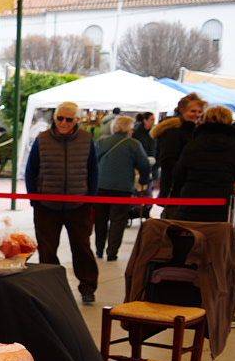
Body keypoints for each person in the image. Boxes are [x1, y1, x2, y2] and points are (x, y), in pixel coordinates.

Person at [24, 100, 100, 303]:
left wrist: (89, 199)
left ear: (76, 120)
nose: (63, 123)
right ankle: (51, 288)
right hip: (46, 206)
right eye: (60, 118)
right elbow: (31, 170)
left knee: (82, 248)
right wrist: (35, 200)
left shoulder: (86, 139)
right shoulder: (42, 139)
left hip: (79, 205)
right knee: (47, 250)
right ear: (55, 118)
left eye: (68, 119)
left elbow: (93, 170)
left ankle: (88, 288)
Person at [164, 105, 235, 224]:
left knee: (190, 235)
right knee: (215, 236)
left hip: (192, 200)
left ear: (205, 119)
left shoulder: (193, 145)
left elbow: (178, 173)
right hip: (221, 202)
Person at [92, 114, 152, 262]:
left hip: (100, 186)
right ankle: (112, 253)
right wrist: (144, 181)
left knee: (101, 219)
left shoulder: (101, 142)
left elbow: (92, 162)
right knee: (118, 221)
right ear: (128, 128)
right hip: (122, 188)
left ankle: (99, 250)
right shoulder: (133, 144)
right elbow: (144, 165)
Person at [149, 92, 205, 198]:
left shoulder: (195, 131)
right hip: (175, 186)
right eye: (193, 111)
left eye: (200, 111)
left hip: (187, 186)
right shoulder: (173, 132)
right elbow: (168, 161)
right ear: (182, 111)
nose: (197, 114)